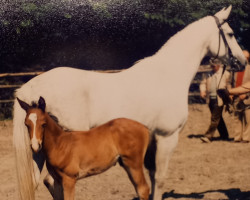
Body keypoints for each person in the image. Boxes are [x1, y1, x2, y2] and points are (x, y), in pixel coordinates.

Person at [200, 58, 231, 143]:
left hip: (220, 98)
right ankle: (224, 135)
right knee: (218, 118)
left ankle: (208, 136)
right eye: (211, 66)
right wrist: (202, 90)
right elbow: (203, 83)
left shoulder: (225, 74)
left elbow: (229, 85)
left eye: (214, 66)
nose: (212, 67)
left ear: (219, 65)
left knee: (214, 118)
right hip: (210, 99)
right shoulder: (208, 74)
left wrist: (230, 96)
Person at [228, 50, 250, 142]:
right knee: (237, 118)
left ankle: (246, 138)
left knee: (248, 119)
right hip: (236, 97)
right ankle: (237, 137)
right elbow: (229, 82)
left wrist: (246, 94)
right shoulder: (235, 69)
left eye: (245, 57)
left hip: (247, 98)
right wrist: (230, 93)